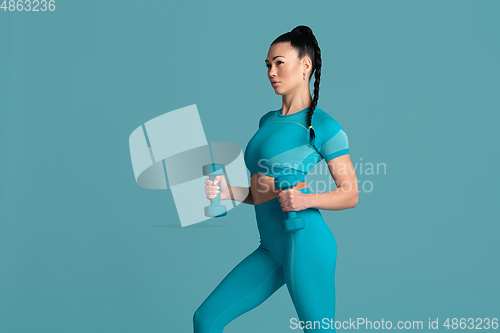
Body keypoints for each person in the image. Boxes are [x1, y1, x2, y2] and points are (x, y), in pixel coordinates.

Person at [194, 25, 359, 333]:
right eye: (268, 65)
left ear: (305, 65)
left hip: (306, 240)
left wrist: (308, 199)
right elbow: (263, 190)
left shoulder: (323, 126)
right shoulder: (267, 121)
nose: (271, 71)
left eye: (279, 62)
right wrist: (229, 191)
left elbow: (350, 194)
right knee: (206, 319)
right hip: (271, 246)